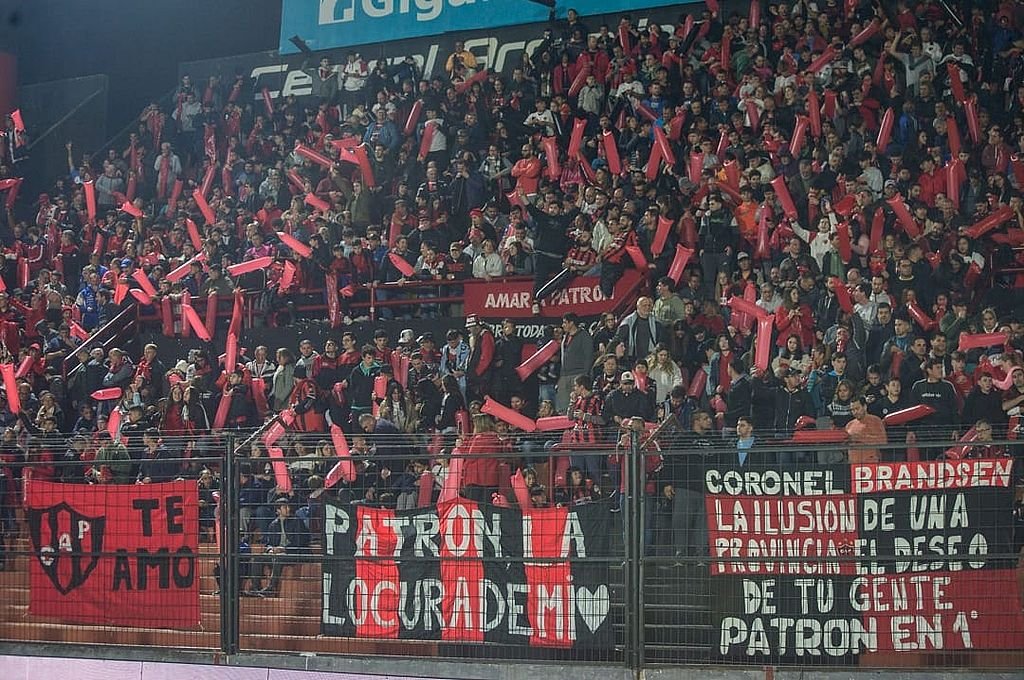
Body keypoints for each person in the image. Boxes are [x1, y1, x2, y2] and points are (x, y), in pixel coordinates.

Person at [249, 497, 310, 597]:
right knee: (257, 558)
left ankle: (271, 588)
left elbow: (300, 542)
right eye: (284, 507)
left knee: (279, 557)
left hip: (293, 552)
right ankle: (255, 588)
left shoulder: (296, 521)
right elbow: (269, 543)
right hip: (278, 553)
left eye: (288, 507)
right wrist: (270, 549)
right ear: (278, 511)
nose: (288, 509)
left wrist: (283, 549)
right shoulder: (273, 525)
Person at [846, 397, 888, 463]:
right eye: (852, 410)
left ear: (865, 407)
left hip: (871, 463)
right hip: (853, 464)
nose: (855, 412)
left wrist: (859, 437)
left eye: (857, 408)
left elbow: (883, 441)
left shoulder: (876, 420)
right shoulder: (849, 425)